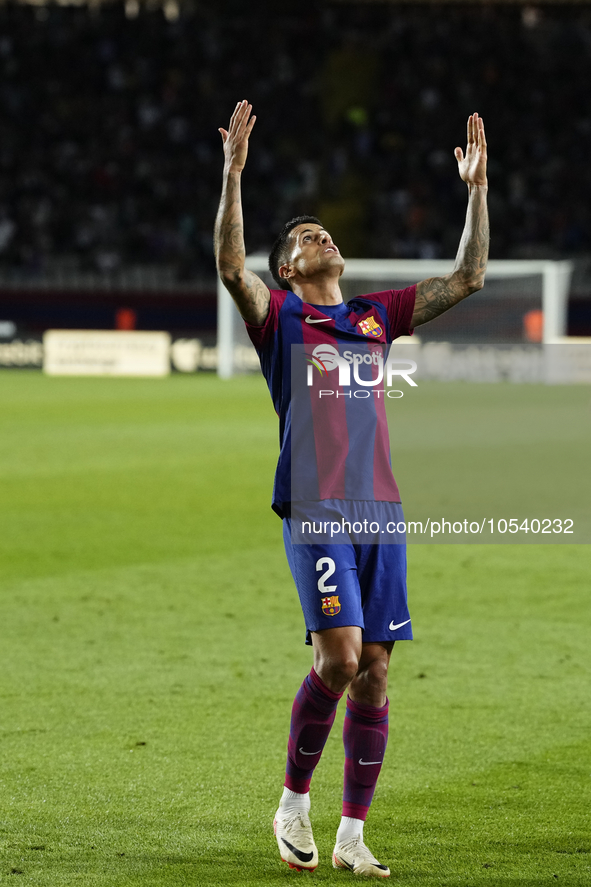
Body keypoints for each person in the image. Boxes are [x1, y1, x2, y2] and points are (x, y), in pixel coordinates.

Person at [214, 100, 489, 878]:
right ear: (289, 270)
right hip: (315, 505)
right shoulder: (280, 321)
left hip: (382, 510)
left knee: (374, 667)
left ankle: (351, 832)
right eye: (303, 238)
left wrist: (475, 190)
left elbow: (468, 275)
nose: (319, 236)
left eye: (322, 232)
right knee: (336, 659)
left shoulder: (375, 317)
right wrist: (233, 176)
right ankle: (292, 802)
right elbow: (231, 267)